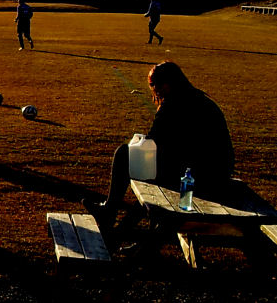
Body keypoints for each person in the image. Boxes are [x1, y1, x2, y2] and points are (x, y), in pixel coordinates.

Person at [84, 61, 234, 224]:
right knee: (150, 191)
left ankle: (110, 210)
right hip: (217, 175)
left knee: (123, 155)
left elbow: (154, 143)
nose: (154, 90)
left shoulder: (172, 105)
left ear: (166, 85)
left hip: (197, 179)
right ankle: (124, 231)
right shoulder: (201, 100)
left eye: (153, 85)